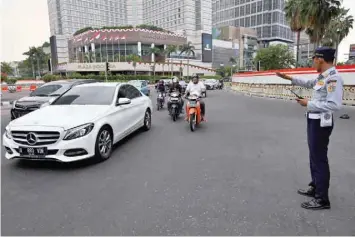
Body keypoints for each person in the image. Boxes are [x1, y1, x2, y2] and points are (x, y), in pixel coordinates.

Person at [276, 47, 344, 210]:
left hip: (321, 123)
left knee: (319, 158)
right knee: (314, 156)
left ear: (320, 59)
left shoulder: (333, 79)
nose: (312, 62)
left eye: (313, 59)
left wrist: (309, 103)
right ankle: (315, 187)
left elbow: (335, 105)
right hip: (314, 120)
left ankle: (322, 199)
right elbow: (309, 83)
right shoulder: (323, 77)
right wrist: (289, 78)